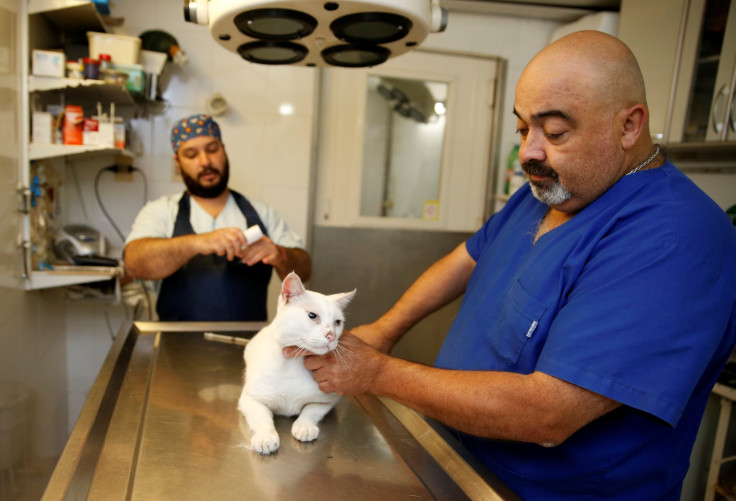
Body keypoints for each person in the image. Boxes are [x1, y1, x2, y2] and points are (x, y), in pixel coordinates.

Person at [284, 31, 736, 499]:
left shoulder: (674, 238)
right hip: (460, 462)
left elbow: (550, 413)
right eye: (523, 129)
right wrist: (385, 329)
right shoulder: (550, 190)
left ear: (629, 126)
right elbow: (465, 260)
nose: (529, 152)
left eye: (555, 132)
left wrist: (377, 372)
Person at [124, 113, 311, 322]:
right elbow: (133, 263)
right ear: (178, 162)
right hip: (176, 345)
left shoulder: (262, 213)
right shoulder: (161, 212)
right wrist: (197, 243)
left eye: (212, 150)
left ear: (223, 150)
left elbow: (304, 270)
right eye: (191, 154)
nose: (205, 162)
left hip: (248, 344)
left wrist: (279, 254)